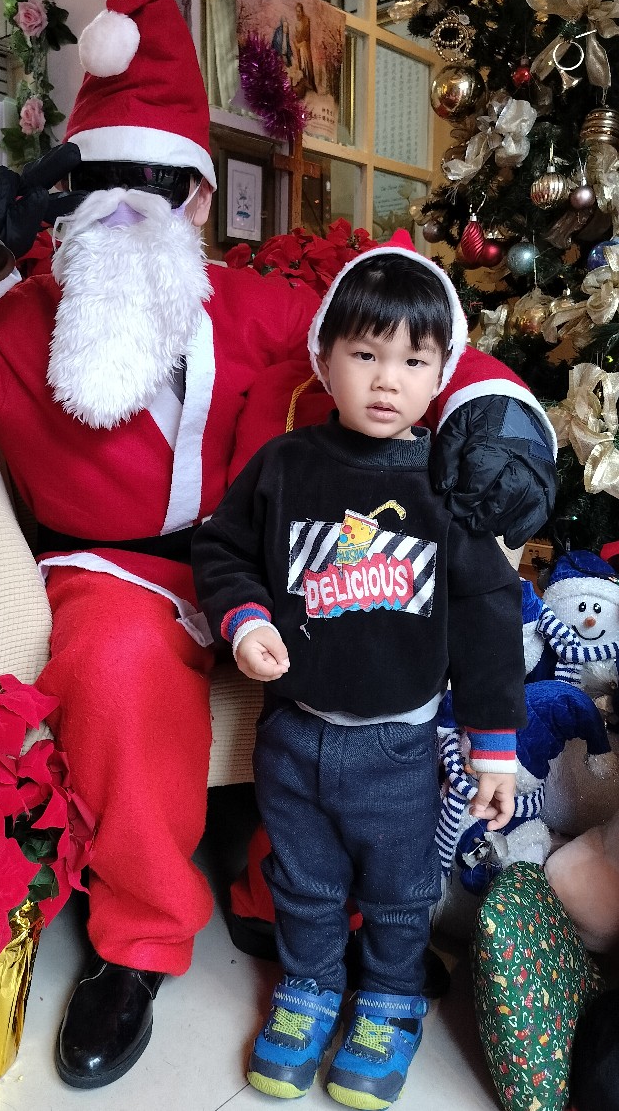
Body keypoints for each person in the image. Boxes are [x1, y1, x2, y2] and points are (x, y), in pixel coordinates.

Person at [0, 0, 555, 1092]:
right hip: (113, 570)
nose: (122, 207)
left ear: (197, 197)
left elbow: (397, 333)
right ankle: (138, 942)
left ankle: (289, 894)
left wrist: (492, 411)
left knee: (368, 624)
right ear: (61, 194)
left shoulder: (259, 306)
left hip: (274, 566)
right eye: (95, 182)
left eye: (154, 183)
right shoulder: (20, 320)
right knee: (115, 660)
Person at [192, 245, 527, 1108]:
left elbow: (489, 616)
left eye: (414, 361)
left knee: (400, 891)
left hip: (399, 748)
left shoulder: (445, 489)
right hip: (293, 732)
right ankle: (308, 986)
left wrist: (493, 744)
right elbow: (222, 548)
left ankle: (388, 997)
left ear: (441, 372)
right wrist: (246, 619)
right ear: (325, 356)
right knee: (302, 880)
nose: (387, 380)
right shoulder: (286, 465)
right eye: (366, 353)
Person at [293, 1, 315, 91]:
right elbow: (296, 36)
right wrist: (296, 42)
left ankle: (309, 82)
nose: (297, 13)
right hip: (300, 49)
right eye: (296, 11)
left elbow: (306, 36)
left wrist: (300, 43)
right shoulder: (296, 23)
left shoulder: (306, 21)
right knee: (301, 65)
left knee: (306, 64)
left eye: (299, 11)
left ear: (302, 12)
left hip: (304, 48)